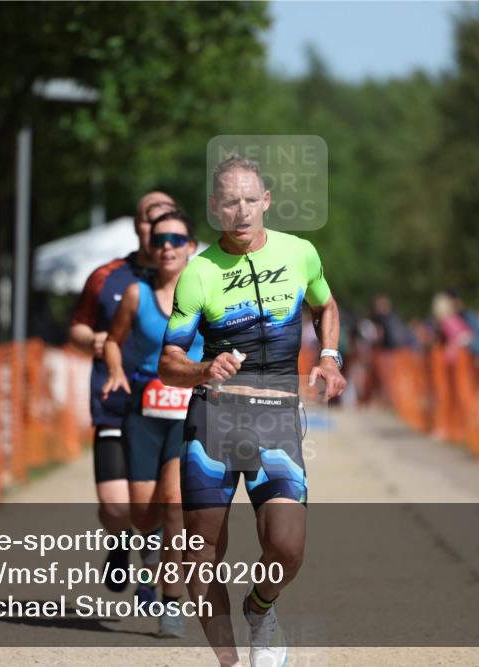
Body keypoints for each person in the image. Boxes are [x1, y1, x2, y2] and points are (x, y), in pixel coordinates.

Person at [158, 155, 347, 667]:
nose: (240, 212)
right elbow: (168, 362)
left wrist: (329, 357)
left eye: (249, 200)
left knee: (287, 547)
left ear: (265, 202)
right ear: (214, 208)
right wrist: (202, 370)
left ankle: (260, 607)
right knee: (202, 555)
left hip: (278, 420)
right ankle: (231, 663)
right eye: (229, 202)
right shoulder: (198, 273)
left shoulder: (299, 252)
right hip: (213, 422)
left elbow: (324, 304)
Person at [101, 210, 204, 638]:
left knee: (176, 505)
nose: (167, 246)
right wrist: (115, 369)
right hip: (143, 413)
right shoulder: (135, 295)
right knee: (144, 516)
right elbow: (113, 341)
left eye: (177, 240)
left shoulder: (206, 295)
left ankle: (171, 604)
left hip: (188, 414)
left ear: (191, 248)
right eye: (160, 239)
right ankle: (145, 548)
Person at [68, 190, 175, 591]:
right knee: (116, 507)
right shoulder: (107, 276)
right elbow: (77, 326)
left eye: (165, 218)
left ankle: (154, 572)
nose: (156, 227)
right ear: (137, 225)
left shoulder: (193, 278)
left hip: (169, 407)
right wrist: (95, 340)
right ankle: (121, 539)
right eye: (149, 217)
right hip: (115, 403)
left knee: (167, 499)